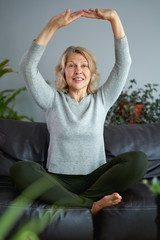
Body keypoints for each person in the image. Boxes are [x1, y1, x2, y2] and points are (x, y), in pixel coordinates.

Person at [10, 8, 148, 215]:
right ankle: (90, 205)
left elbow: (123, 64)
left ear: (91, 72)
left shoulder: (102, 99)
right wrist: (53, 25)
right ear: (63, 72)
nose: (78, 70)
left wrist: (114, 19)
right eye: (71, 65)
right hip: (58, 180)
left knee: (139, 160)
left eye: (84, 65)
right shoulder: (51, 100)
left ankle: (75, 202)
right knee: (19, 169)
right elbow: (27, 66)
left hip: (96, 179)